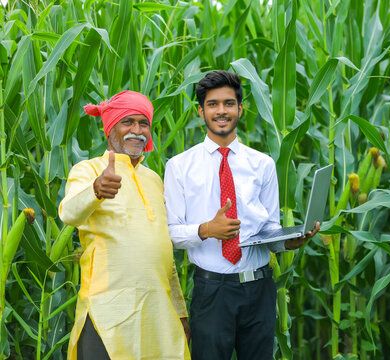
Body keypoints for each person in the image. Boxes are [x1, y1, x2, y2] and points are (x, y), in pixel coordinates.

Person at [163, 70, 319, 360]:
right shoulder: (179, 166)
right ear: (201, 112)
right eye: (212, 104)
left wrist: (288, 242)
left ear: (240, 109)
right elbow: (170, 234)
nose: (221, 111)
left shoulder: (263, 164)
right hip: (212, 291)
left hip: (259, 288)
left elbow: (269, 228)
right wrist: (207, 229)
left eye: (228, 103)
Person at [59, 90, 190, 360]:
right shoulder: (88, 170)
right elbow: (69, 213)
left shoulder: (154, 179)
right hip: (108, 311)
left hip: (158, 313)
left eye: (143, 123)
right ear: (110, 129)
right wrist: (96, 189)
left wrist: (179, 311)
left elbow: (164, 252)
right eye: (127, 122)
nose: (137, 130)